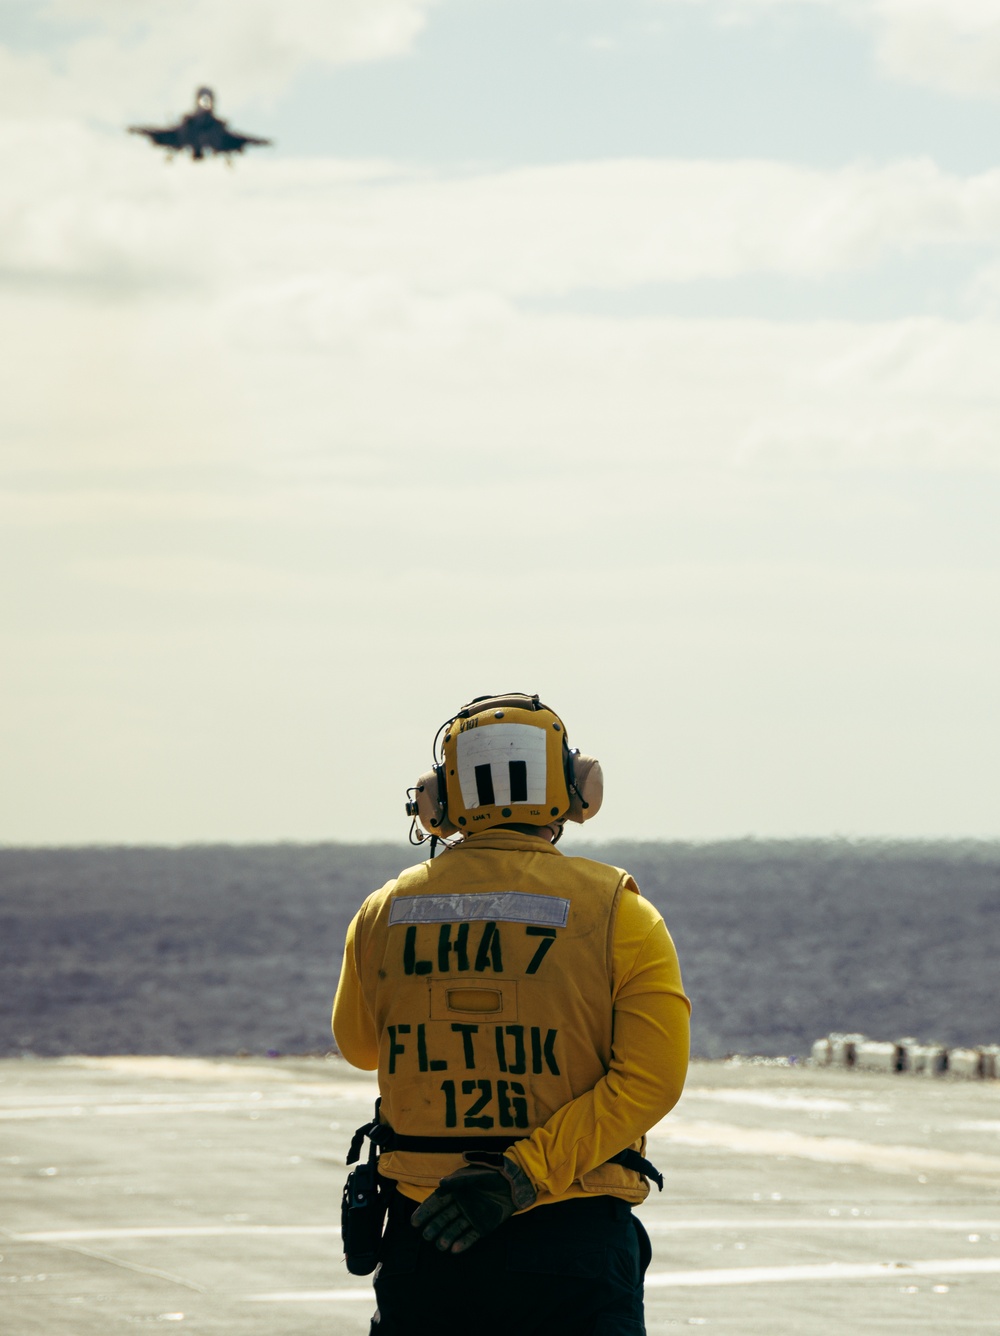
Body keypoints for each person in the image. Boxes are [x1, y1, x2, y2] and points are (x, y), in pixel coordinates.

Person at [333, 693, 690, 1336]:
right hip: (571, 1239)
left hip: (427, 1234)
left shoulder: (384, 911)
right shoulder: (620, 914)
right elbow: (650, 1082)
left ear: (438, 802)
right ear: (578, 790)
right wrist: (519, 1177)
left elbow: (361, 1047)